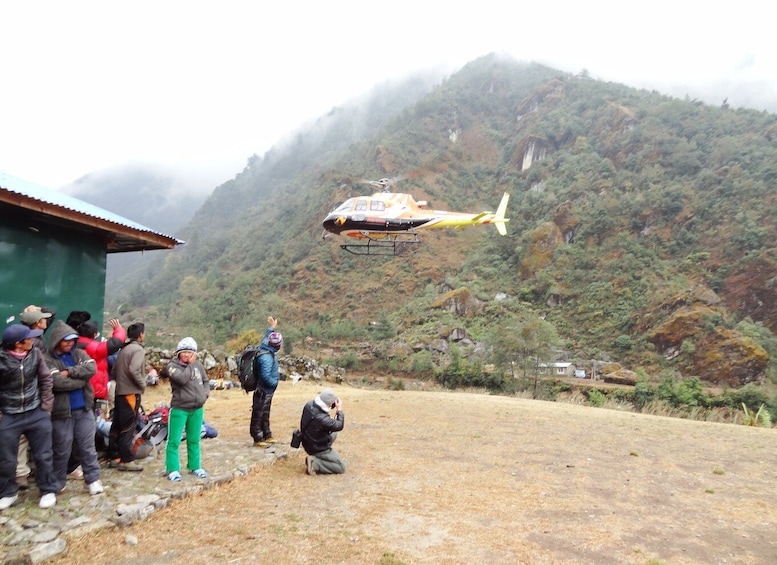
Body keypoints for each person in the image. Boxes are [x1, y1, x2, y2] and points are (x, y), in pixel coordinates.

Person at [0, 324, 58, 510]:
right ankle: (8, 493)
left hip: (36, 412)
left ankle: (48, 490)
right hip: (9, 415)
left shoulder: (35, 354)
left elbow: (46, 378)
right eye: (29, 338)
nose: (33, 340)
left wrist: (46, 407)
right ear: (18, 343)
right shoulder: (1, 360)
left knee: (44, 455)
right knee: (7, 459)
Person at [43, 321, 104, 496]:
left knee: (87, 446)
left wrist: (69, 372)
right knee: (62, 448)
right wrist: (81, 379)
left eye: (72, 340)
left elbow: (91, 368)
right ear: (57, 341)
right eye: (66, 340)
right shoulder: (48, 359)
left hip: (84, 409)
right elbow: (56, 382)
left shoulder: (79, 353)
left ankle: (92, 479)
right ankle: (57, 482)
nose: (70, 343)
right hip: (62, 412)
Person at [15, 305, 54, 489]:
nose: (47, 320)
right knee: (28, 436)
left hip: (31, 393)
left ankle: (22, 472)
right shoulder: (34, 342)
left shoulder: (26, 336)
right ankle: (23, 473)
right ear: (38, 323)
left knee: (24, 437)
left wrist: (38, 309)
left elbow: (51, 314)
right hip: (32, 393)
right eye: (43, 318)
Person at [161, 337, 210, 481]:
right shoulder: (172, 366)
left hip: (197, 408)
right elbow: (182, 379)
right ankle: (173, 469)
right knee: (174, 440)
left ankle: (195, 466)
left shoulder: (198, 366)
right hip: (179, 408)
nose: (187, 355)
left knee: (194, 439)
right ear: (178, 353)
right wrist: (190, 365)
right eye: (184, 352)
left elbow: (206, 381)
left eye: (190, 352)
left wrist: (204, 394)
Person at [108, 322, 146, 472]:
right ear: (141, 335)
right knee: (128, 427)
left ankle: (115, 456)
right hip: (130, 393)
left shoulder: (123, 349)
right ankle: (126, 459)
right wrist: (142, 384)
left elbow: (114, 370)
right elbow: (134, 369)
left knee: (117, 425)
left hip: (119, 392)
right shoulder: (138, 350)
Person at [76, 317, 126, 418]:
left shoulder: (73, 344)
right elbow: (116, 343)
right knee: (95, 421)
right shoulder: (94, 348)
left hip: (78, 391)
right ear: (94, 335)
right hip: (94, 392)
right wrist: (119, 329)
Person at [250, 316, 283, 448]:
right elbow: (264, 376)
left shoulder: (266, 346)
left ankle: (266, 434)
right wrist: (274, 382)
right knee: (258, 414)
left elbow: (267, 336)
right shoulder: (266, 358)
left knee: (264, 413)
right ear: (276, 346)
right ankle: (257, 438)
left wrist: (272, 327)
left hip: (266, 391)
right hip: (263, 390)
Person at [299, 388, 346, 475]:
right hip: (316, 446)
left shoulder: (310, 404)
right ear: (330, 403)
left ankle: (323, 456)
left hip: (307, 439)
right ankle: (315, 463)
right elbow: (339, 426)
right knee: (341, 467)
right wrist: (339, 410)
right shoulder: (322, 418)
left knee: (334, 433)